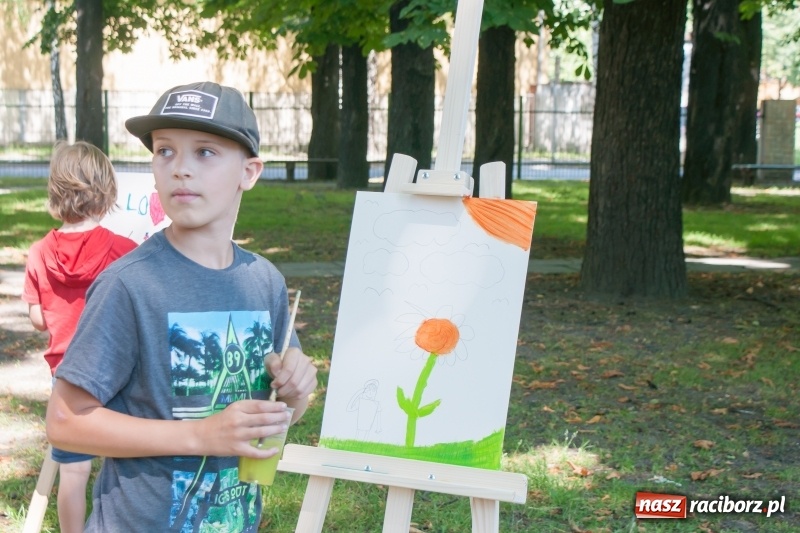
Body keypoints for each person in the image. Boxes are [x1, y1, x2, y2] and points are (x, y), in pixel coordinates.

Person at [45, 81, 318, 532]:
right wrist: (200, 435)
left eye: (205, 152)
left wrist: (295, 392)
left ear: (249, 172)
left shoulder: (264, 281)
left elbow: (286, 413)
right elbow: (65, 422)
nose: (180, 169)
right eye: (165, 151)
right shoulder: (129, 285)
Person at [22, 140, 137, 533]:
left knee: (73, 472)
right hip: (116, 372)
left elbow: (38, 319)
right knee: (126, 459)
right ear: (106, 192)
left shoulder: (38, 251)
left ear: (55, 193)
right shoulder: (125, 250)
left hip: (66, 376)